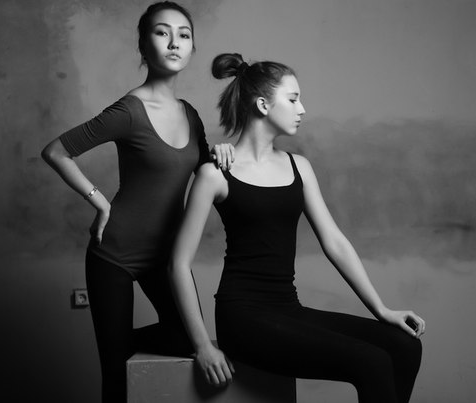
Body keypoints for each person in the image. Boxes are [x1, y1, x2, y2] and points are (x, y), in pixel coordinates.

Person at [169, 53, 425, 403]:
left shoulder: (299, 167)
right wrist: (202, 345)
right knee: (372, 362)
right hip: (243, 318)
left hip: (288, 309)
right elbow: (178, 263)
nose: (302, 109)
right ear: (263, 105)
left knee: (404, 346)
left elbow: (334, 242)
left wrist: (381, 309)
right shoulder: (215, 173)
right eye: (293, 99)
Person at [41, 3, 235, 402]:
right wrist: (99, 202)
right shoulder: (129, 111)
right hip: (113, 254)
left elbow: (205, 174)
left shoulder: (190, 115)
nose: (174, 42)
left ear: (193, 47)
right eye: (162, 32)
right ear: (144, 45)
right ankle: (114, 350)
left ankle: (116, 344)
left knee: (190, 339)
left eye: (184, 35)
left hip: (165, 257)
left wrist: (222, 152)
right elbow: (56, 151)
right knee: (116, 379)